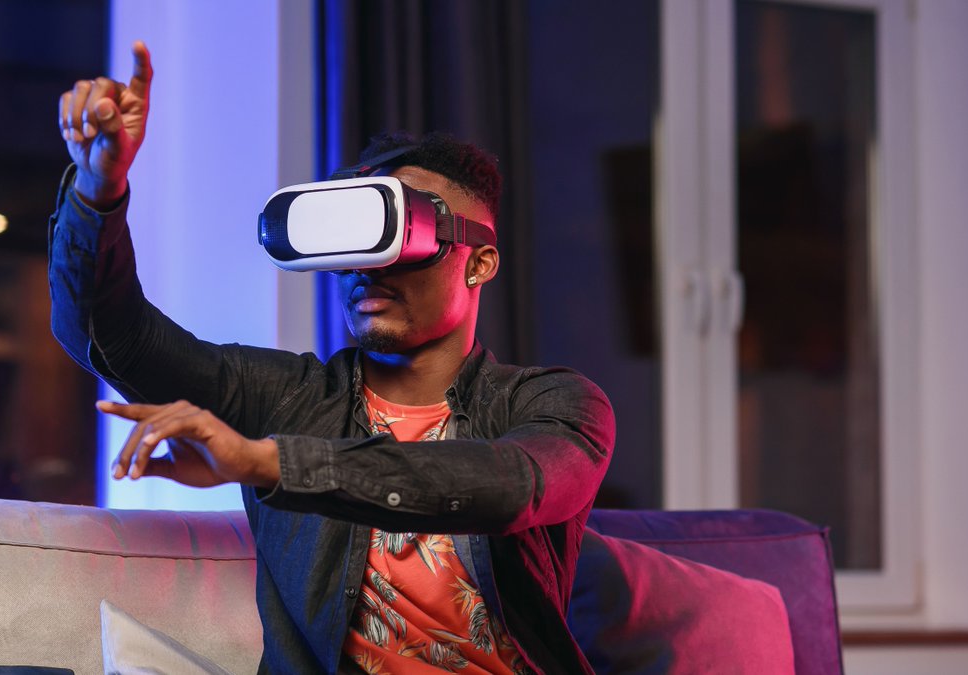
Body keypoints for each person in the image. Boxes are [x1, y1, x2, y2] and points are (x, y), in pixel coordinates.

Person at [50, 41, 614, 674]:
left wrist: (267, 461)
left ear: (478, 263)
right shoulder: (281, 398)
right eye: (354, 241)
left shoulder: (555, 404)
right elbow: (107, 335)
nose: (369, 268)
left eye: (400, 237)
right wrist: (98, 192)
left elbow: (511, 485)